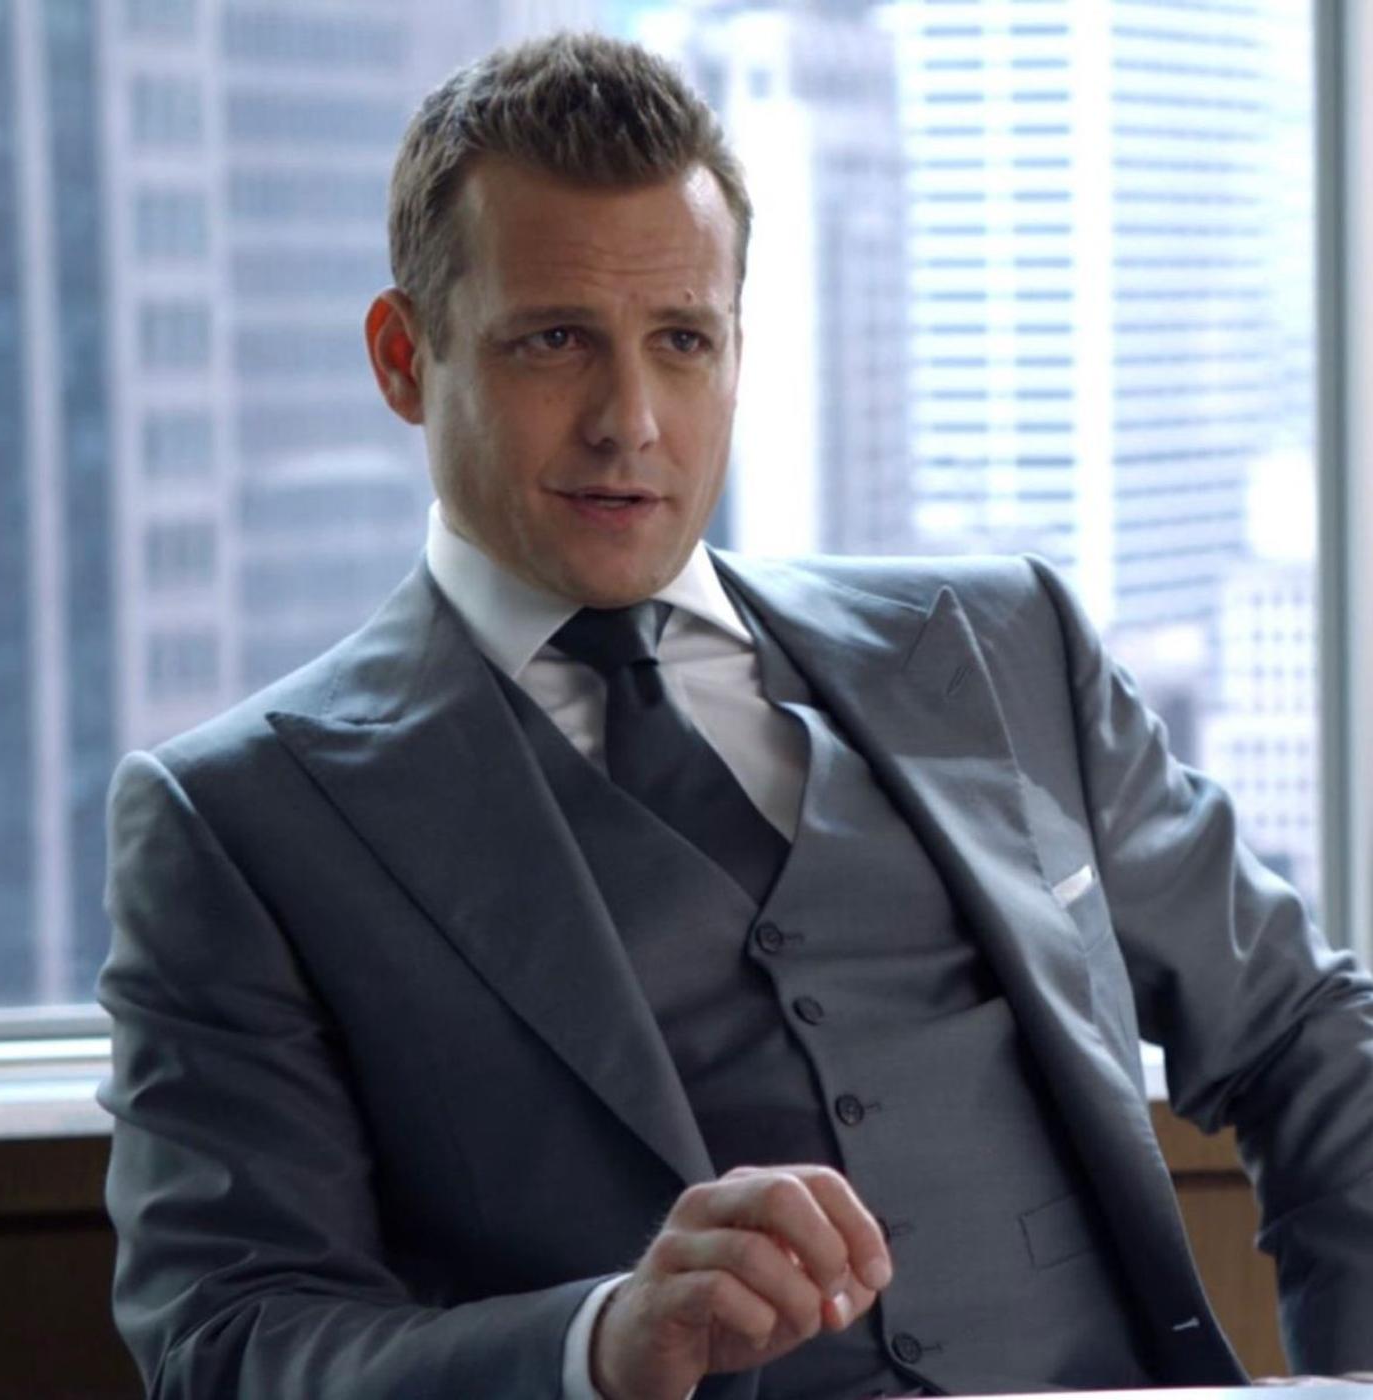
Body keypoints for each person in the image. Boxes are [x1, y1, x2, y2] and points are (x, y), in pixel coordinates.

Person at [98, 32, 1373, 1400]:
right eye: (554, 341)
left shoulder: (1002, 644)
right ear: (405, 358)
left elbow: (1307, 1033)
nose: (629, 421)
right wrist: (598, 1347)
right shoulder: (237, 826)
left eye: (682, 341)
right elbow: (228, 1341)